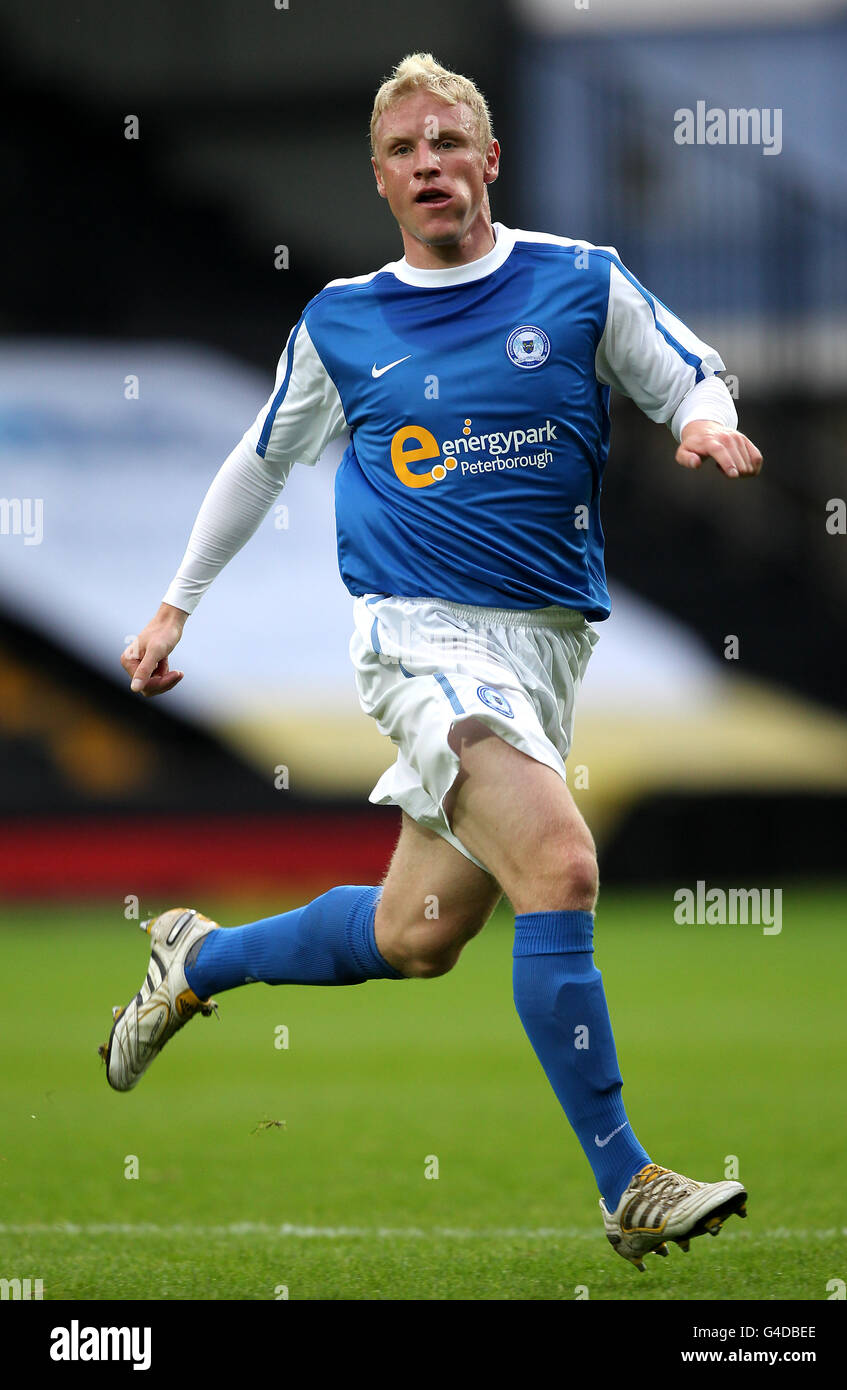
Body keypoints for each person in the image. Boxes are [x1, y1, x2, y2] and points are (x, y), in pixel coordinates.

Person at [102, 53, 760, 1273]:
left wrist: (704, 422)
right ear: (378, 179)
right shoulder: (342, 319)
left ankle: (199, 957)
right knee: (559, 863)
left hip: (546, 648)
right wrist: (172, 607)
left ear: (487, 160)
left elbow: (689, 372)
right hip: (418, 639)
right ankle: (628, 1181)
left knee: (416, 935)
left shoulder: (578, 281)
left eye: (448, 143)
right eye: (404, 151)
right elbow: (256, 461)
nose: (428, 166)